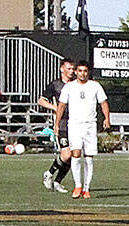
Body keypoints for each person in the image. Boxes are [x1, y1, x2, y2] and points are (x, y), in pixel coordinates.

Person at [54, 60, 110, 199]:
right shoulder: (69, 87)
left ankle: (87, 188)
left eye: (85, 71)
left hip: (90, 125)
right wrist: (56, 124)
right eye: (79, 71)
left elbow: (103, 102)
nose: (82, 73)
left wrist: (107, 118)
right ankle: (77, 185)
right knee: (76, 154)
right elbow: (61, 106)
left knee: (89, 158)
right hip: (74, 125)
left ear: (88, 72)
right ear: (76, 72)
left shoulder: (95, 86)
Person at [38, 57, 75, 193]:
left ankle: (57, 182)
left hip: (75, 123)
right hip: (62, 123)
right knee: (66, 154)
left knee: (73, 155)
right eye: (69, 68)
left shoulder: (76, 84)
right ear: (62, 69)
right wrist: (55, 108)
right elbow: (41, 101)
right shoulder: (55, 85)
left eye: (72, 69)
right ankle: (49, 173)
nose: (71, 71)